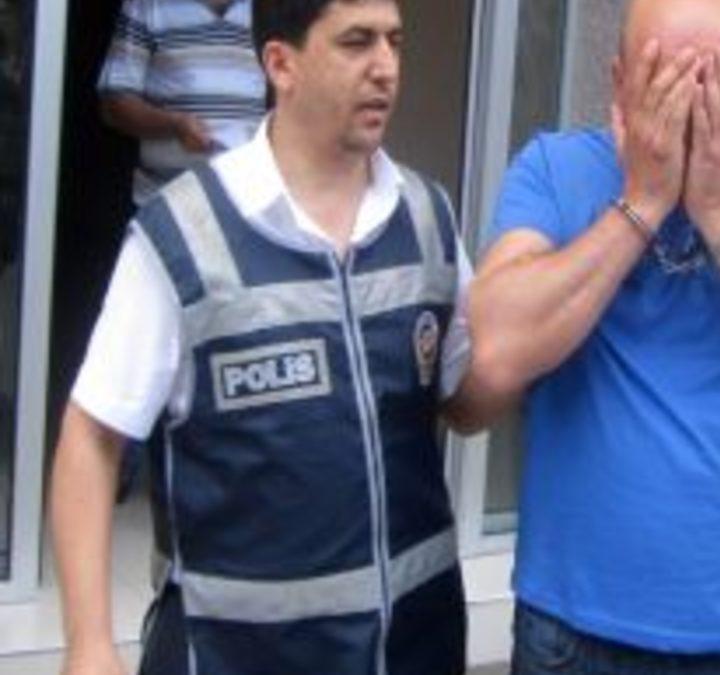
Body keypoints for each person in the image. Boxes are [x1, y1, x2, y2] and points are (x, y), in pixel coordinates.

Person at [51, 1, 498, 673]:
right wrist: (89, 642)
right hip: (236, 654)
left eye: (395, 41)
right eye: (357, 42)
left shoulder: (426, 216)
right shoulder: (185, 234)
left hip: (414, 646)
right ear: (281, 65)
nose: (386, 67)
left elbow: (468, 400)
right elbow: (91, 437)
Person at [468, 0, 720, 671]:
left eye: (709, 78)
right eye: (663, 75)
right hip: (573, 630)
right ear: (618, 79)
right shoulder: (553, 168)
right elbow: (492, 347)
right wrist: (643, 202)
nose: (686, 101)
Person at [97, 0, 266, 206]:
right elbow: (114, 104)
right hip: (167, 201)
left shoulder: (269, 7)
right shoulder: (146, 5)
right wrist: (175, 125)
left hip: (251, 197)